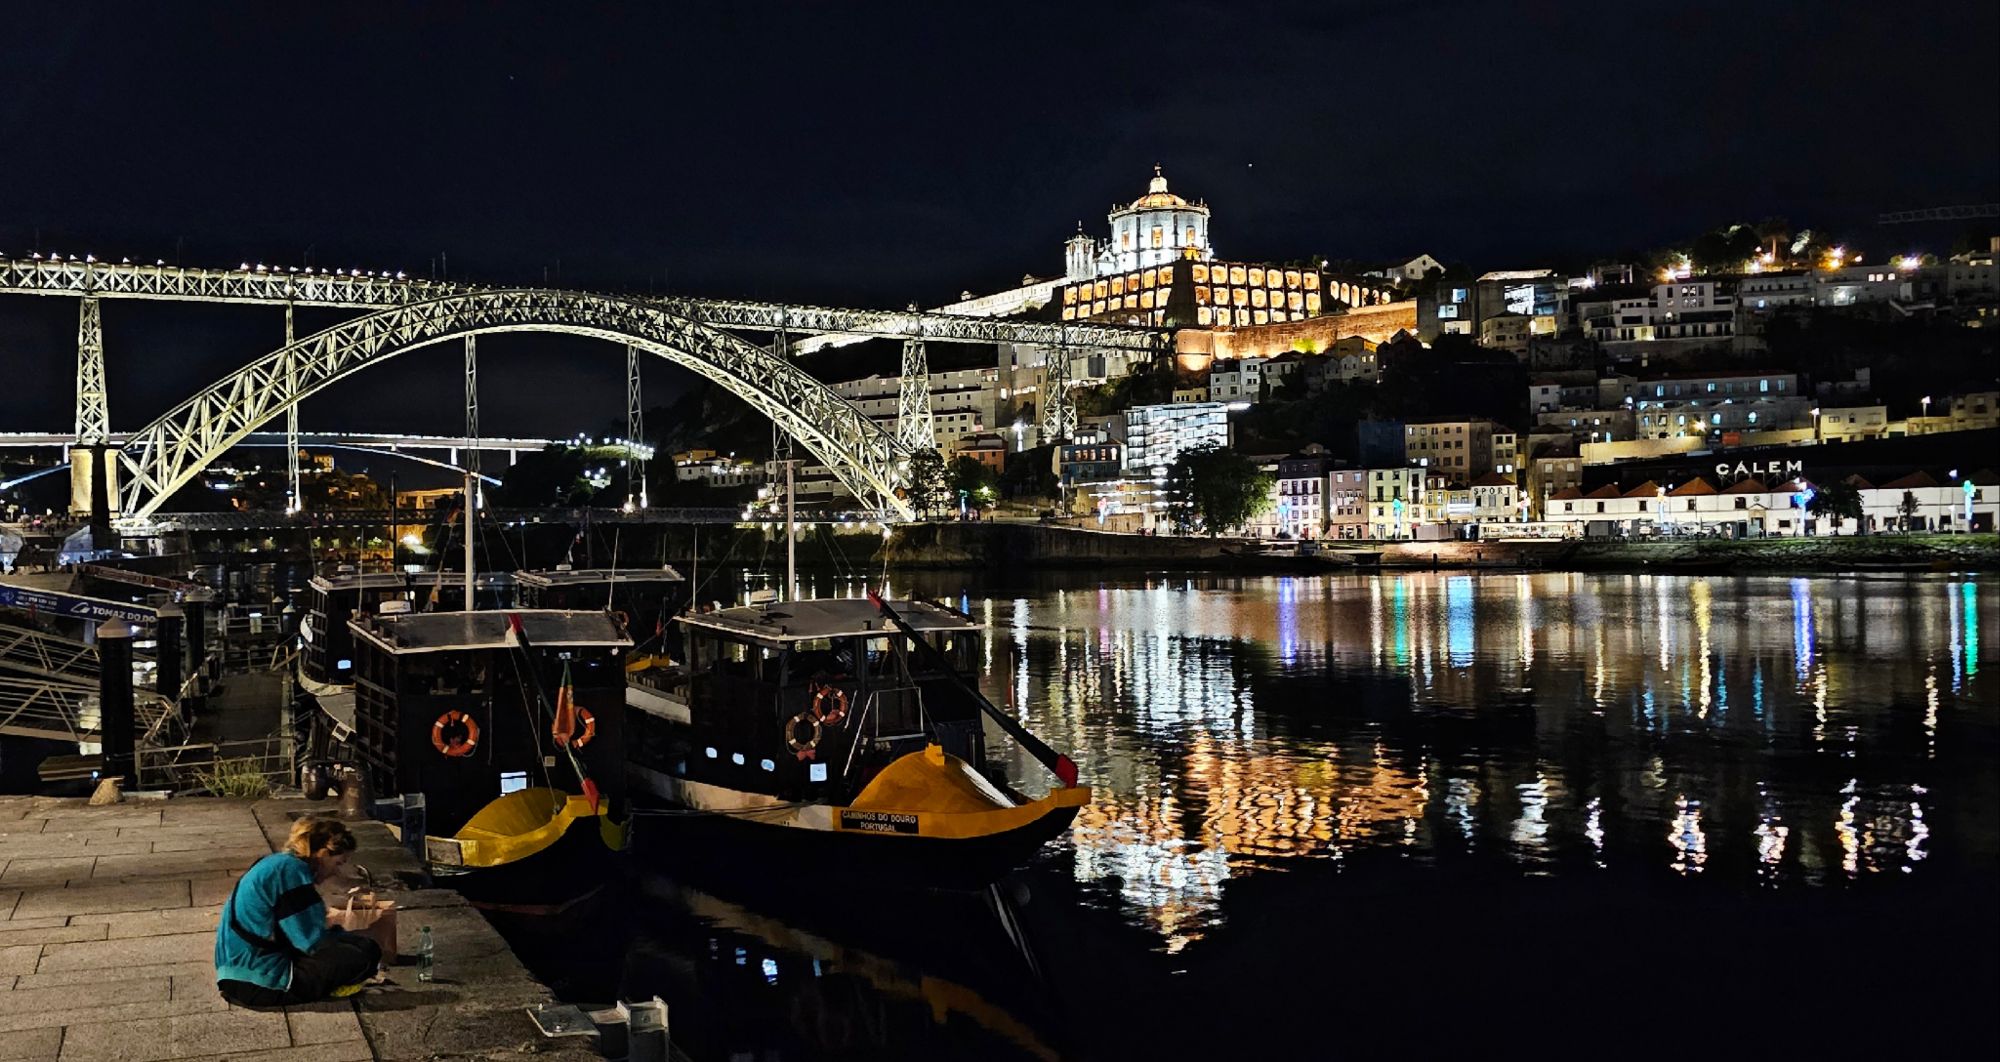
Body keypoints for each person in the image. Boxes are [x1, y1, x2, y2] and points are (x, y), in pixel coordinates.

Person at [214, 816, 382, 1006]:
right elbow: (310, 941)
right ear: (323, 854)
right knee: (362, 956)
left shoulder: (278, 863)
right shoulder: (292, 872)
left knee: (361, 946)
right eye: (338, 863)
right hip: (257, 981)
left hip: (236, 972)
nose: (336, 872)